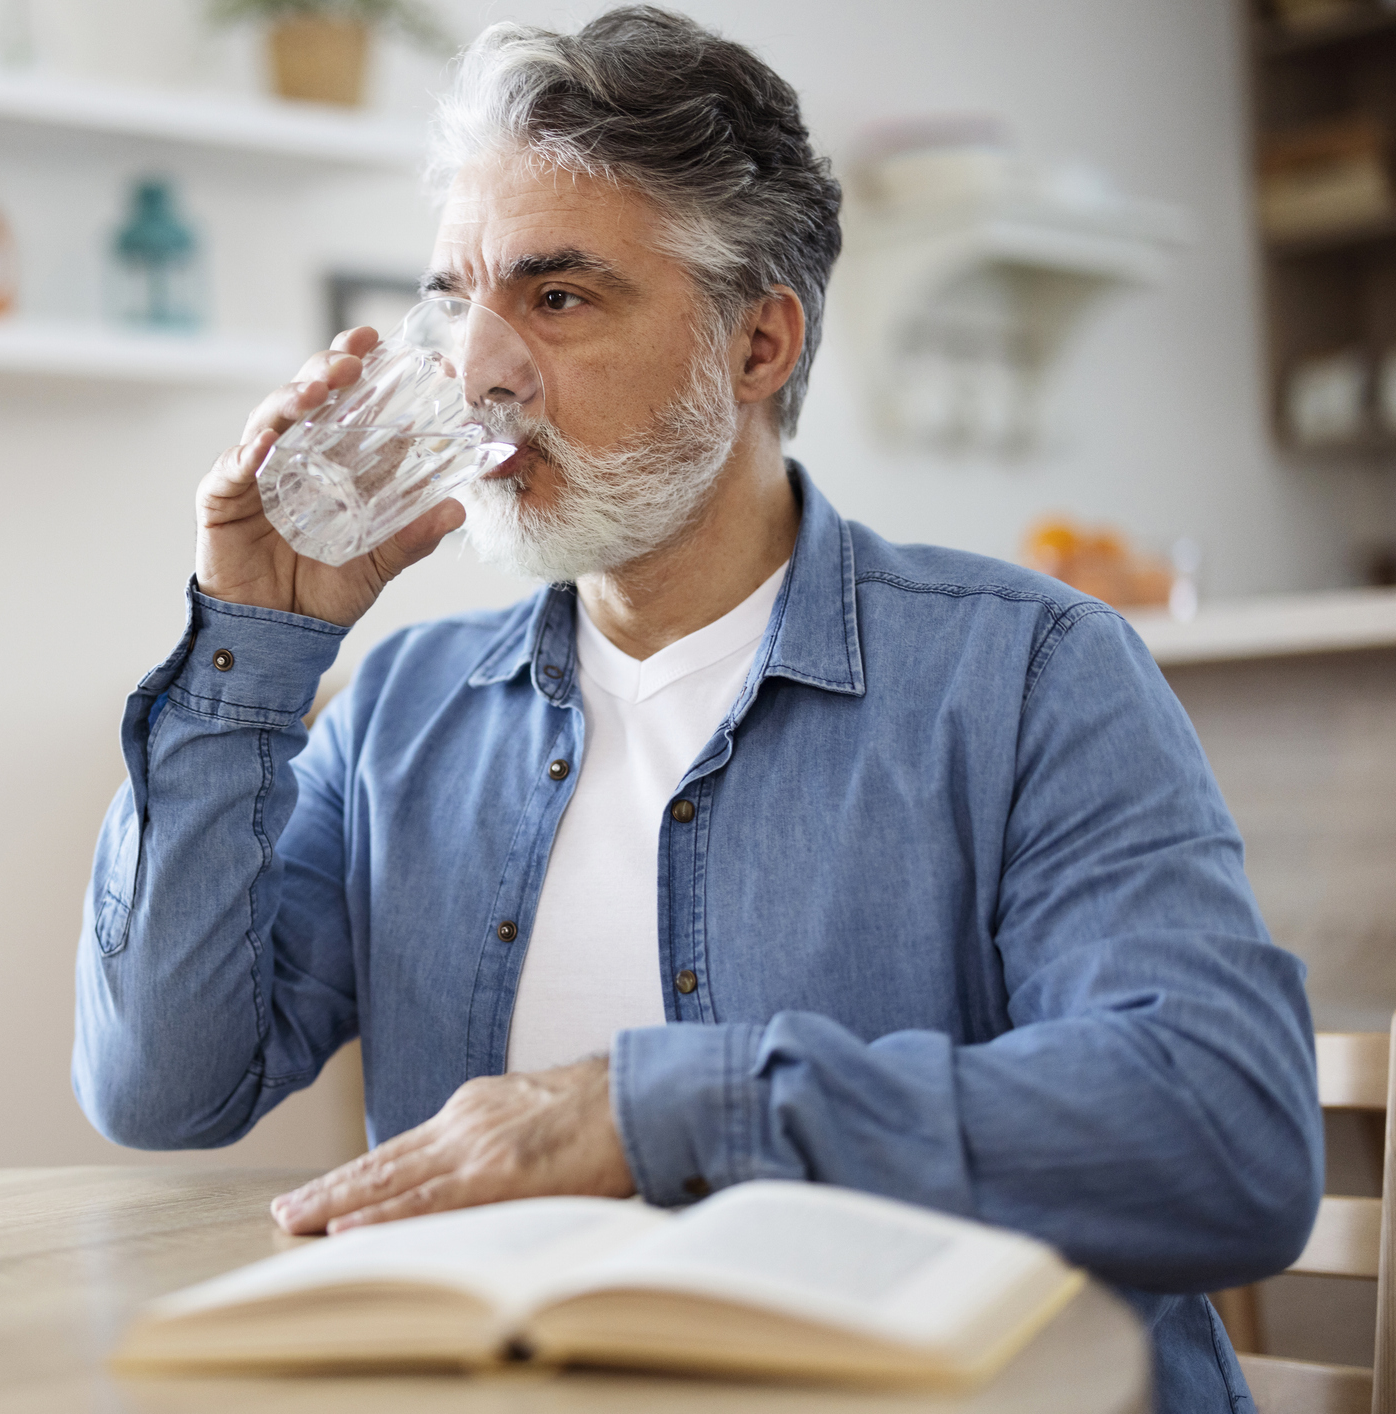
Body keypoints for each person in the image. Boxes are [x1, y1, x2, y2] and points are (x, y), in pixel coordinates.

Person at [73, 9, 1319, 1410]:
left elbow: (1227, 1138)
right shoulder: (402, 713)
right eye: (456, 298)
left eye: (556, 299)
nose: (479, 367)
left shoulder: (1033, 675)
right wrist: (252, 644)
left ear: (758, 344)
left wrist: (652, 1107)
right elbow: (161, 1087)